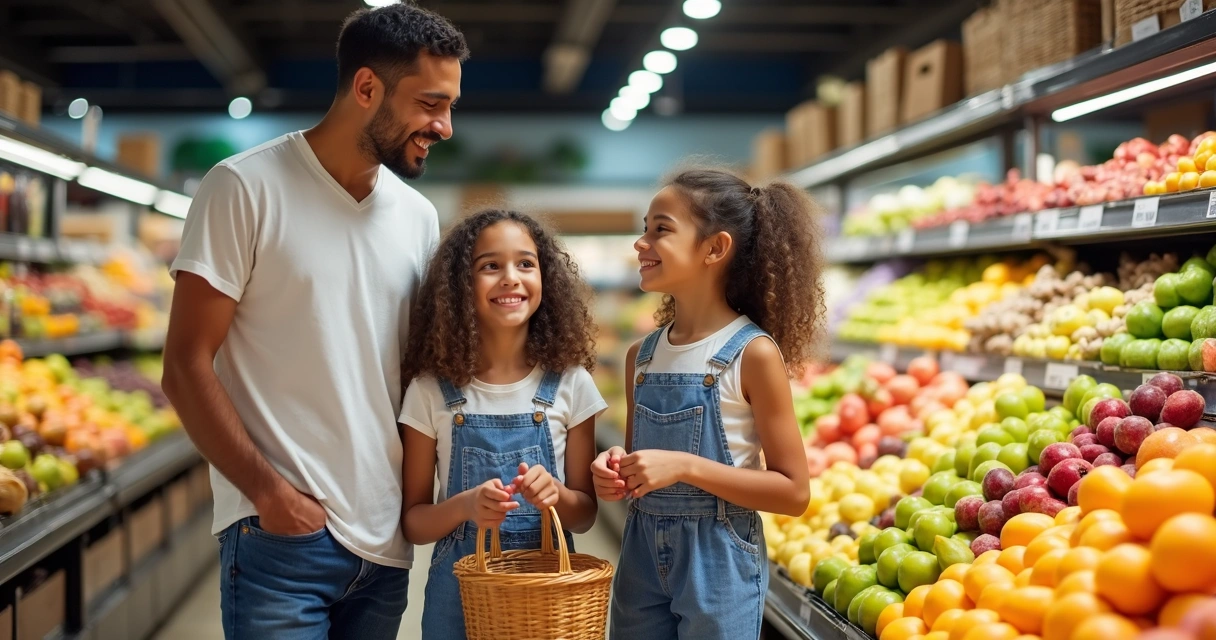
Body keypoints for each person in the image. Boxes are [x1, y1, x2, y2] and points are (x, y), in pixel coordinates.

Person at [161, 4, 467, 639]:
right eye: (430, 104)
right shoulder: (243, 188)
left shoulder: (417, 218)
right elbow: (186, 367)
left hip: (385, 544)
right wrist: (268, 495)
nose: (444, 126)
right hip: (281, 540)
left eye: (450, 107)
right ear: (365, 88)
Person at [593, 169, 822, 639]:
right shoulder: (642, 355)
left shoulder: (752, 354)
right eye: (644, 227)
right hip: (640, 552)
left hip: (719, 558)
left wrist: (684, 467)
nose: (642, 242)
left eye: (661, 229)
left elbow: (794, 492)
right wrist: (616, 469)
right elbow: (641, 468)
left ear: (715, 249)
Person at [399, 209, 605, 640]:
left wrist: (558, 495)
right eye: (490, 265)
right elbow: (414, 524)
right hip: (459, 592)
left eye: (525, 263)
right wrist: (465, 506)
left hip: (547, 590)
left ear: (545, 278)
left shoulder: (571, 384)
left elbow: (584, 514)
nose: (510, 277)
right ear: (459, 285)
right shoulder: (430, 390)